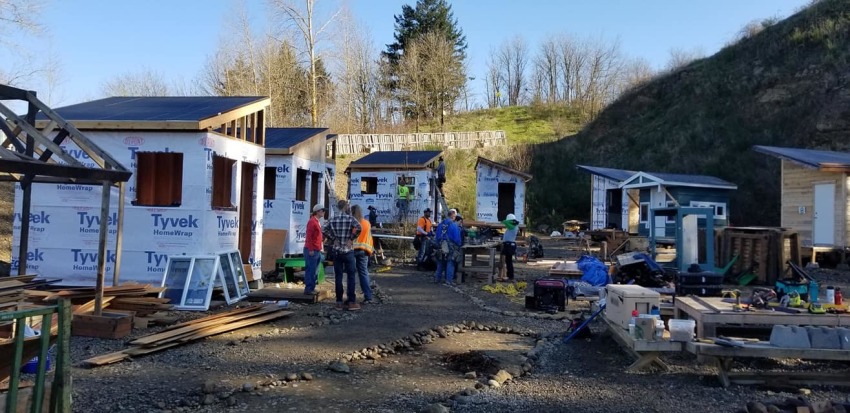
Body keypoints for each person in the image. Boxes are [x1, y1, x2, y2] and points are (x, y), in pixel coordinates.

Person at [323, 199, 362, 311]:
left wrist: (333, 238)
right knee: (351, 276)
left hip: (337, 250)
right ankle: (351, 302)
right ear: (346, 207)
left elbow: (324, 229)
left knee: (338, 276)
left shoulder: (333, 219)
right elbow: (359, 227)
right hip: (348, 250)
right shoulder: (350, 218)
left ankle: (339, 302)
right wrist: (351, 239)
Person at [351, 204, 375, 304]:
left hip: (352, 250)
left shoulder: (352, 223)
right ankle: (368, 296)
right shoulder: (366, 223)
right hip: (364, 251)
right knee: (364, 273)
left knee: (351, 274)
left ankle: (351, 298)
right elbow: (369, 237)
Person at [434, 208, 461, 285]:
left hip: (440, 245)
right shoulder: (453, 225)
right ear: (452, 214)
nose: (455, 217)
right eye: (455, 215)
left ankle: (437, 278)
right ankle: (449, 280)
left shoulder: (441, 224)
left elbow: (437, 236)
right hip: (450, 247)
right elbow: (457, 238)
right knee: (450, 262)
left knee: (440, 262)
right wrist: (459, 245)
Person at [303, 204, 326, 295]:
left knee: (314, 270)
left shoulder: (316, 221)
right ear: (318, 211)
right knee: (311, 270)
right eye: (322, 210)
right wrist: (311, 249)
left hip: (316, 249)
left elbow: (315, 236)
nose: (324, 212)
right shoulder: (312, 222)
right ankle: (308, 289)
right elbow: (309, 236)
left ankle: (311, 287)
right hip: (312, 250)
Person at [497, 213, 520, 282]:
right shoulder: (513, 226)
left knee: (509, 261)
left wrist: (503, 221)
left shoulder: (513, 226)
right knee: (508, 261)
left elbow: (506, 222)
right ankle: (509, 275)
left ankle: (510, 276)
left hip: (509, 245)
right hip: (509, 244)